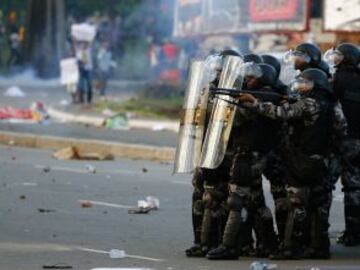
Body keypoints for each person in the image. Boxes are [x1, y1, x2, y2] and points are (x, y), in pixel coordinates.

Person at [237, 68, 336, 259]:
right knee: (320, 206)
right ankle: (319, 247)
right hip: (323, 159)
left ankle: (290, 248)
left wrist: (254, 102)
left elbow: (280, 113)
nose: (300, 85)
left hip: (302, 158)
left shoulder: (309, 103)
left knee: (296, 203)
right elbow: (340, 129)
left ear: (316, 84)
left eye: (305, 83)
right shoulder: (332, 104)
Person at [206, 63, 280, 260]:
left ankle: (229, 246)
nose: (249, 80)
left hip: (249, 155)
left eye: (253, 77)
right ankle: (270, 244)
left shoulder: (263, 96)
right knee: (256, 201)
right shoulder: (258, 94)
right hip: (252, 153)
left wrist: (229, 105)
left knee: (236, 199)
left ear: (264, 79)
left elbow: (238, 120)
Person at [186, 50, 241, 257]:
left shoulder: (234, 91)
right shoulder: (210, 89)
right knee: (200, 196)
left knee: (216, 198)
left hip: (224, 153)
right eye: (215, 70)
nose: (216, 73)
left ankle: (215, 243)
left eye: (220, 70)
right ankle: (200, 241)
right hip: (205, 150)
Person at [326, 43, 360, 246]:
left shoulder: (337, 80)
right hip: (357, 140)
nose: (334, 58)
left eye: (338, 55)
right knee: (354, 188)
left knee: (324, 186)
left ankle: (317, 235)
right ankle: (354, 233)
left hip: (340, 141)